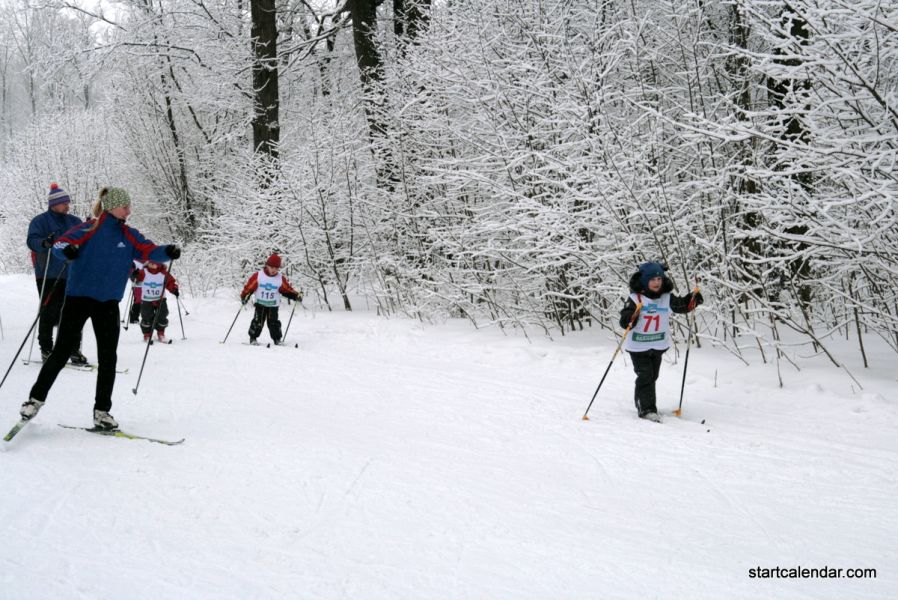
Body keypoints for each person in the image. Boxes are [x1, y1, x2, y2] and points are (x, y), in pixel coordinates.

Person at [18, 187, 181, 430]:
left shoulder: (129, 235)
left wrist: (167, 251)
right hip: (78, 299)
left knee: (108, 358)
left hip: (108, 304)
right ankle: (34, 400)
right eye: (125, 206)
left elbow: (149, 250)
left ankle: (102, 411)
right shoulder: (89, 228)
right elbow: (61, 245)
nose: (129, 210)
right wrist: (68, 251)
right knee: (61, 351)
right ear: (111, 206)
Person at [619, 261, 703, 422]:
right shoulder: (635, 298)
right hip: (638, 346)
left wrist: (692, 300)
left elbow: (680, 306)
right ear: (644, 281)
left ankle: (646, 404)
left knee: (653, 376)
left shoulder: (666, 298)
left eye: (659, 279)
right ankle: (646, 409)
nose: (657, 283)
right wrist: (630, 318)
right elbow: (625, 320)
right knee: (645, 375)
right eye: (652, 279)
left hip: (658, 344)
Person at [25, 183, 88, 364]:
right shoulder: (40, 221)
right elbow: (32, 241)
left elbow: (85, 239)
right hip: (48, 273)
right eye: (64, 203)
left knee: (73, 314)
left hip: (72, 273)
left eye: (68, 202)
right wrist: (45, 243)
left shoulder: (75, 221)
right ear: (54, 204)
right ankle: (47, 349)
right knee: (49, 311)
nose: (68, 205)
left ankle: (73, 350)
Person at [240, 253, 301, 345]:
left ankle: (277, 339)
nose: (274, 270)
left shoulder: (280, 279)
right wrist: (244, 296)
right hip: (260, 304)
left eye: (276, 268)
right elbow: (249, 287)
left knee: (274, 323)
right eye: (272, 267)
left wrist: (295, 295)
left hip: (273, 305)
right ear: (267, 265)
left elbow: (286, 289)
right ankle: (253, 338)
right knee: (257, 321)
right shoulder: (258, 276)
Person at [135, 259, 179, 343]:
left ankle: (161, 333)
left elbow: (170, 282)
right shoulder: (144, 272)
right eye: (150, 263)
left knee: (163, 315)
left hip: (160, 298)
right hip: (147, 299)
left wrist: (174, 289)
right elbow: (137, 278)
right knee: (146, 316)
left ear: (159, 264)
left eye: (154, 263)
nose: (152, 265)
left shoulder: (163, 273)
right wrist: (135, 275)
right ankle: (147, 335)